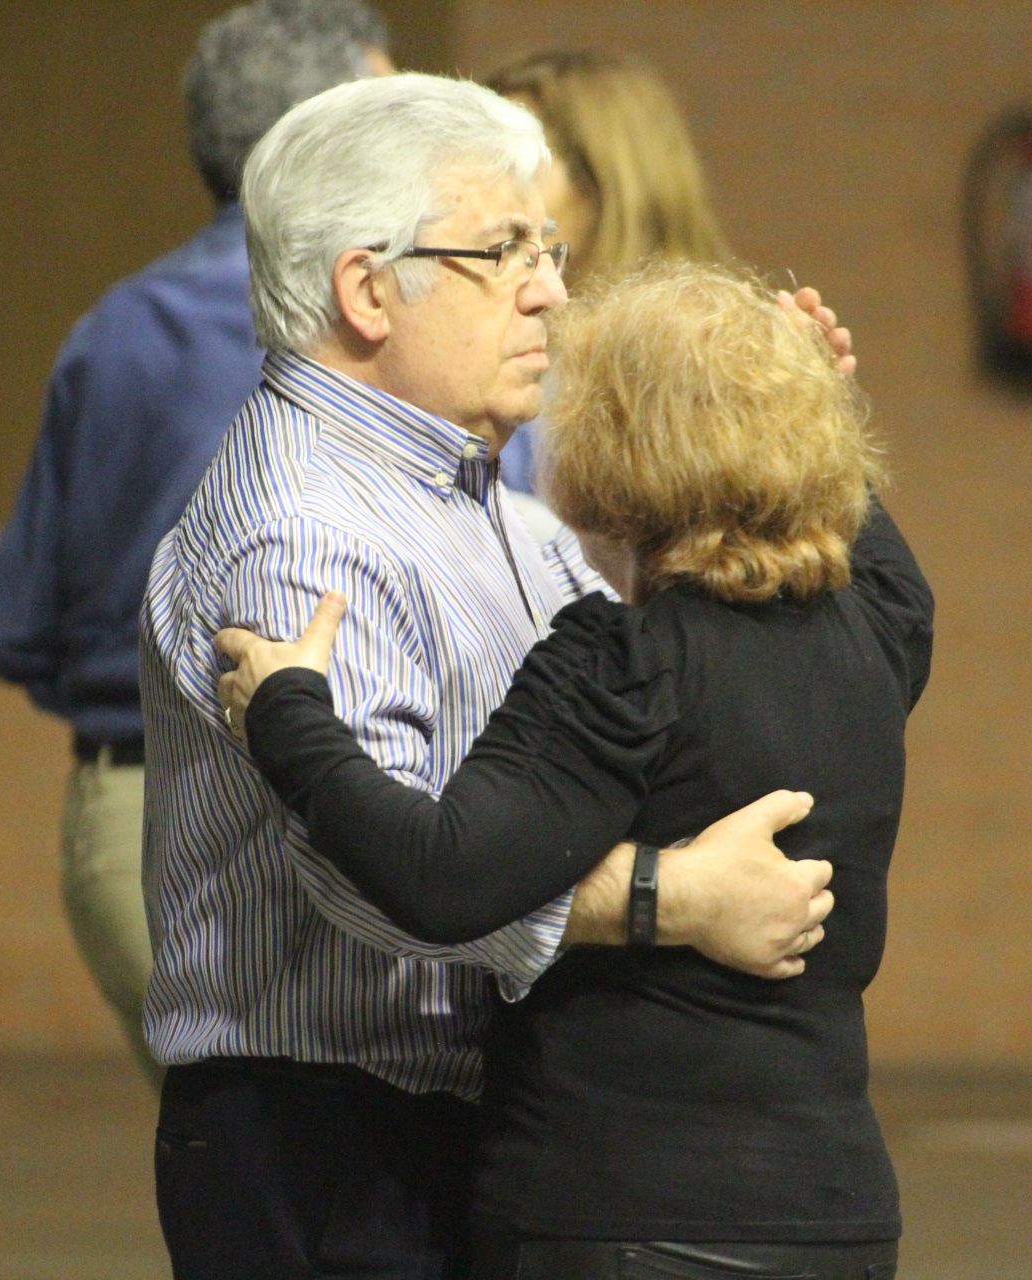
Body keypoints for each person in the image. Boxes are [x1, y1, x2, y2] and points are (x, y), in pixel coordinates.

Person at [140, 73, 840, 1280]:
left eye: (549, 246)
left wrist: (774, 442)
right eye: (503, 248)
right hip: (327, 1141)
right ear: (367, 288)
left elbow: (645, 716)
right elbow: (378, 873)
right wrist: (674, 896)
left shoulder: (488, 504)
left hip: (433, 1125)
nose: (552, 290)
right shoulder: (309, 531)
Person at [218, 259, 932, 1279]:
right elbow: (887, 565)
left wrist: (289, 713)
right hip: (840, 1216)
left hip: (630, 1214)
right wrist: (796, 391)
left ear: (618, 451)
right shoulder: (875, 635)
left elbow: (438, 876)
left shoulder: (624, 662)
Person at [0, 0, 393, 1082]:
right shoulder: (399, 337)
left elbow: (12, 626)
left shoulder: (114, 332)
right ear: (329, 138)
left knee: (240, 1175)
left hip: (136, 805)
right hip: (358, 804)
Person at [483, 48, 853, 502]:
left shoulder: (713, 348)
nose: (490, 185)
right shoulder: (488, 344)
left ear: (605, 179)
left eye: (518, 161)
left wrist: (796, 418)